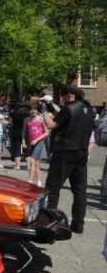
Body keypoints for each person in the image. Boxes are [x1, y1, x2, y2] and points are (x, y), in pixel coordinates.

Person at [44, 85, 97, 234]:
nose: (61, 98)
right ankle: (78, 224)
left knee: (53, 188)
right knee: (80, 190)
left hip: (65, 151)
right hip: (81, 151)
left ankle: (50, 220)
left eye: (63, 95)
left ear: (70, 96)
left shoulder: (69, 109)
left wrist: (45, 114)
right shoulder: (90, 110)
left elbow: (51, 125)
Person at [23, 108, 48, 186]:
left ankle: (30, 180)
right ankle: (39, 181)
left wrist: (37, 140)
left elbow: (46, 132)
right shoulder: (27, 120)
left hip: (39, 142)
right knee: (36, 163)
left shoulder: (41, 119)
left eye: (35, 110)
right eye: (31, 110)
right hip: (30, 142)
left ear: (37, 111)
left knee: (32, 161)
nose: (33, 111)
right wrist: (23, 142)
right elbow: (24, 132)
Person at [9, 102, 31, 170]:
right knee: (27, 150)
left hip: (16, 133)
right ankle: (29, 166)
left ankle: (18, 166)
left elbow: (10, 122)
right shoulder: (28, 115)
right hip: (26, 133)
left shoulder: (14, 114)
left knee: (17, 150)